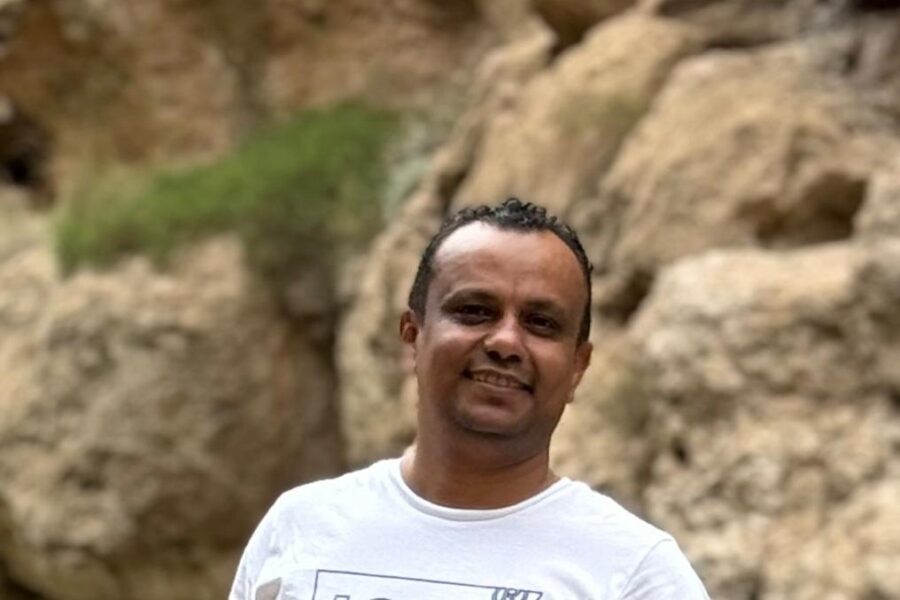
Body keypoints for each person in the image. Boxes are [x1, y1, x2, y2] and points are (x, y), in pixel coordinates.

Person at [229, 198, 709, 600]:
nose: (505, 342)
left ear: (578, 367)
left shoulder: (636, 572)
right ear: (413, 336)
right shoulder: (301, 528)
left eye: (541, 323)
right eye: (475, 311)